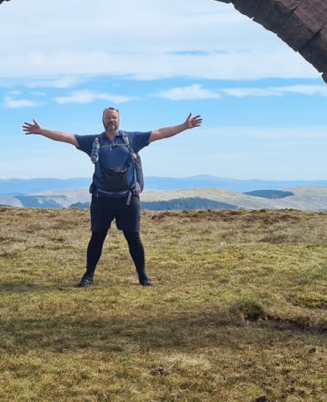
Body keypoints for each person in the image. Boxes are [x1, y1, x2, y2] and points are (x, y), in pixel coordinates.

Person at [22, 107, 203, 287]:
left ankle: (143, 276)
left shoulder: (132, 138)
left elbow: (160, 133)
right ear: (103, 120)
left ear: (119, 120)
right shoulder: (93, 141)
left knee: (133, 237)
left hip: (128, 198)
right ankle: (88, 276)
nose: (111, 120)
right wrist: (41, 131)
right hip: (102, 198)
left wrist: (184, 126)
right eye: (108, 117)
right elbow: (67, 137)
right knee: (97, 237)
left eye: (114, 117)